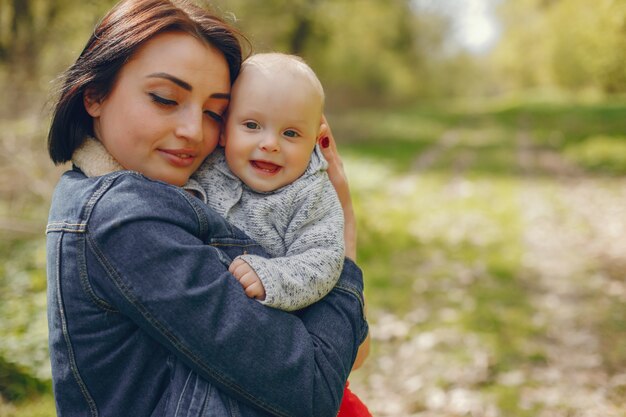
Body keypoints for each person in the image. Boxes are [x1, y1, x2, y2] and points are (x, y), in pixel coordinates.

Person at [45, 1, 368, 417]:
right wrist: (344, 244)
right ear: (94, 95)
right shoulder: (124, 220)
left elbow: (353, 354)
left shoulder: (200, 194)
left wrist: (330, 223)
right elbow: (315, 385)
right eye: (165, 98)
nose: (193, 131)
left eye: (215, 112)